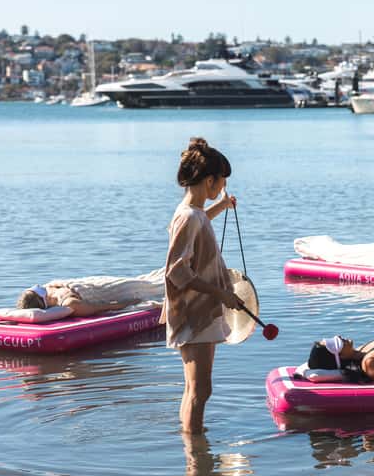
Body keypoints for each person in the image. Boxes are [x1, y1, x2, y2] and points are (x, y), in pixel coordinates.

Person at [162, 137, 244, 435]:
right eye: (221, 184)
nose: (222, 188)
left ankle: (193, 448)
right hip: (194, 312)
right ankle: (196, 455)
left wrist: (220, 206)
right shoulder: (187, 217)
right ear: (210, 180)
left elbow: (201, 224)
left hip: (200, 310)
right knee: (200, 390)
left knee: (195, 388)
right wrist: (221, 293)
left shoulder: (193, 213)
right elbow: (176, 272)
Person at [15, 268, 165, 317]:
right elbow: (102, 307)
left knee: (151, 283)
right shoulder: (69, 303)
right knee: (151, 284)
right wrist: (128, 303)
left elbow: (104, 306)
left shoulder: (52, 290)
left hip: (103, 284)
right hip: (107, 290)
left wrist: (131, 301)